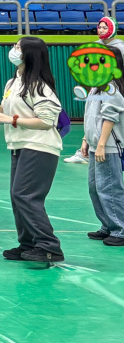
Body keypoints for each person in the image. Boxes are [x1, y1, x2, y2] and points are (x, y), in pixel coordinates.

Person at [0, 36, 65, 262]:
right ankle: (28, 243)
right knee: (16, 196)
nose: (13, 49)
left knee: (25, 195)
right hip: (20, 145)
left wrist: (12, 120)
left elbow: (47, 120)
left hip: (39, 146)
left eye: (17, 47)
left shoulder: (39, 85)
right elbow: (9, 111)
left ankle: (49, 246)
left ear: (29, 54)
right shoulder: (13, 82)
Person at [75, 43, 124, 245]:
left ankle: (119, 229)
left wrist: (102, 143)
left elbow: (109, 116)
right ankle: (107, 225)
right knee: (95, 187)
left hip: (109, 146)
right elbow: (91, 117)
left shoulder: (111, 87)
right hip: (96, 145)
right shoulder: (98, 86)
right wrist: (86, 140)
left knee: (110, 188)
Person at [69, 18, 124, 165]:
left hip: (116, 89)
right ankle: (86, 145)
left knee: (111, 118)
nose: (101, 30)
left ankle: (108, 147)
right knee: (93, 115)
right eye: (99, 27)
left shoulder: (120, 48)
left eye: (105, 28)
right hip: (98, 87)